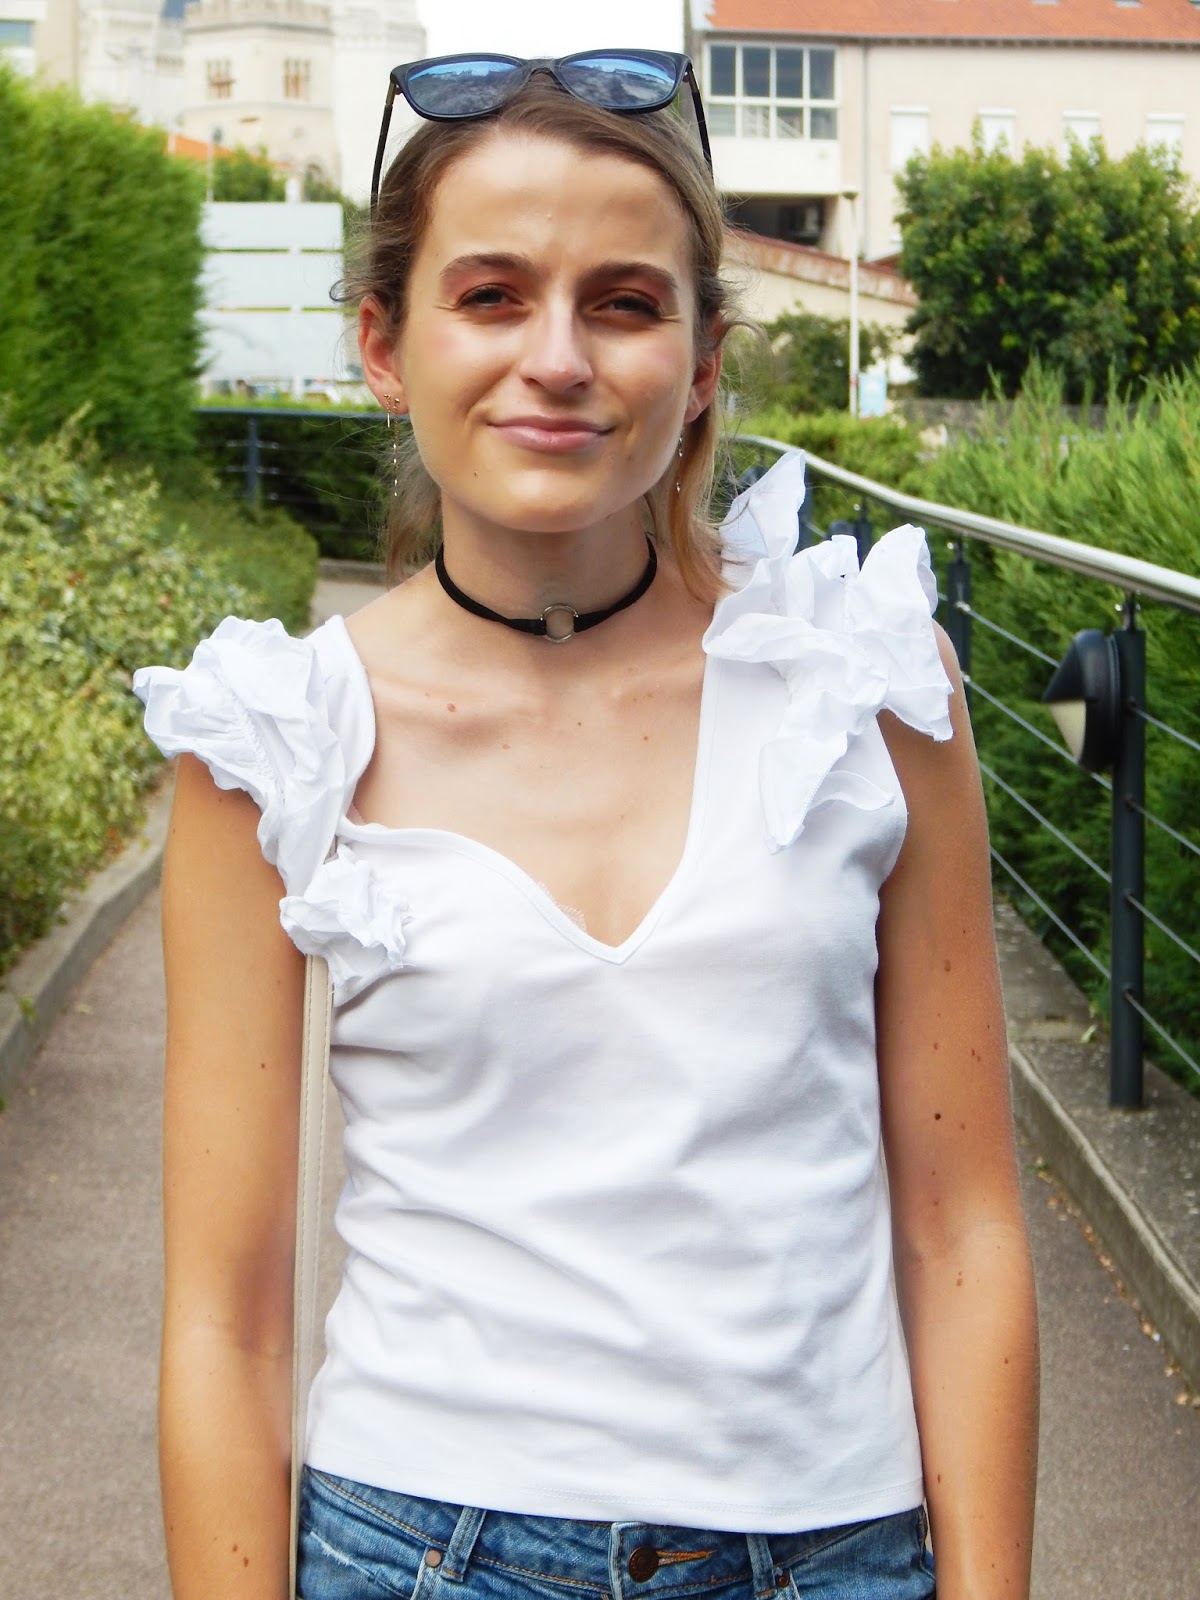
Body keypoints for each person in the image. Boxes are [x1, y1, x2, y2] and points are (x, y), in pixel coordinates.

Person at [133, 50, 1038, 1600]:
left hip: (836, 1549)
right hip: (419, 1550)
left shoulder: (866, 687)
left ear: (702, 362)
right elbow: (226, 1322)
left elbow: (965, 1235)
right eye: (490, 296)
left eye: (623, 302)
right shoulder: (274, 744)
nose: (555, 359)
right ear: (383, 344)